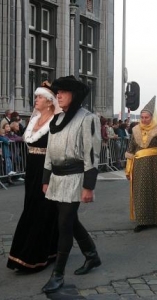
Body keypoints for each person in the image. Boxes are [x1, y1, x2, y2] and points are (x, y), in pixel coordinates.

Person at [41, 75, 101, 294]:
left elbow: (92, 154)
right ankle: (92, 256)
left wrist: (89, 186)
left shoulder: (88, 119)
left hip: (76, 178)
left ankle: (58, 275)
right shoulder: (56, 120)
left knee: (64, 224)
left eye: (63, 92)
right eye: (57, 92)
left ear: (73, 95)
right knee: (71, 221)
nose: (58, 95)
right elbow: (50, 152)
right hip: (57, 180)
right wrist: (46, 179)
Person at [7, 82, 60, 272]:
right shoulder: (33, 119)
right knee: (32, 207)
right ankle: (50, 250)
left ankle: (34, 256)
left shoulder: (56, 121)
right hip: (31, 169)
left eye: (39, 97)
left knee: (42, 211)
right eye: (36, 97)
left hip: (48, 170)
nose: (35, 100)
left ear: (49, 101)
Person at [125, 96, 157, 232]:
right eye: (142, 117)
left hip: (154, 165)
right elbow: (131, 150)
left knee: (156, 190)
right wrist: (128, 169)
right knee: (141, 192)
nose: (144, 120)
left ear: (152, 117)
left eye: (146, 117)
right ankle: (142, 221)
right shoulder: (135, 130)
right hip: (139, 167)